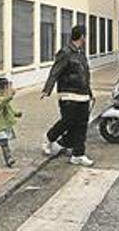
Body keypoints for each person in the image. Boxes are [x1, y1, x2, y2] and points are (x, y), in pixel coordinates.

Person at [41, 25, 94, 167]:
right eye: (85, 36)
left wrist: (90, 92)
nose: (86, 39)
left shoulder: (81, 54)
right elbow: (55, 71)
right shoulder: (65, 52)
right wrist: (47, 89)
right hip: (68, 93)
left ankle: (78, 155)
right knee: (68, 121)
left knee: (82, 125)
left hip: (82, 94)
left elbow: (85, 74)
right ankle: (49, 138)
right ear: (82, 36)